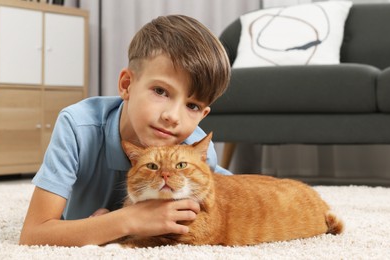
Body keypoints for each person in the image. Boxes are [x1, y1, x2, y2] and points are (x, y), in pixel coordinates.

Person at [19, 14, 232, 246]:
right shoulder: (77, 126)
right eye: (161, 91)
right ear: (126, 85)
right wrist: (127, 220)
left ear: (203, 115)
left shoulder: (198, 150)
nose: (172, 116)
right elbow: (33, 234)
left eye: (192, 106)